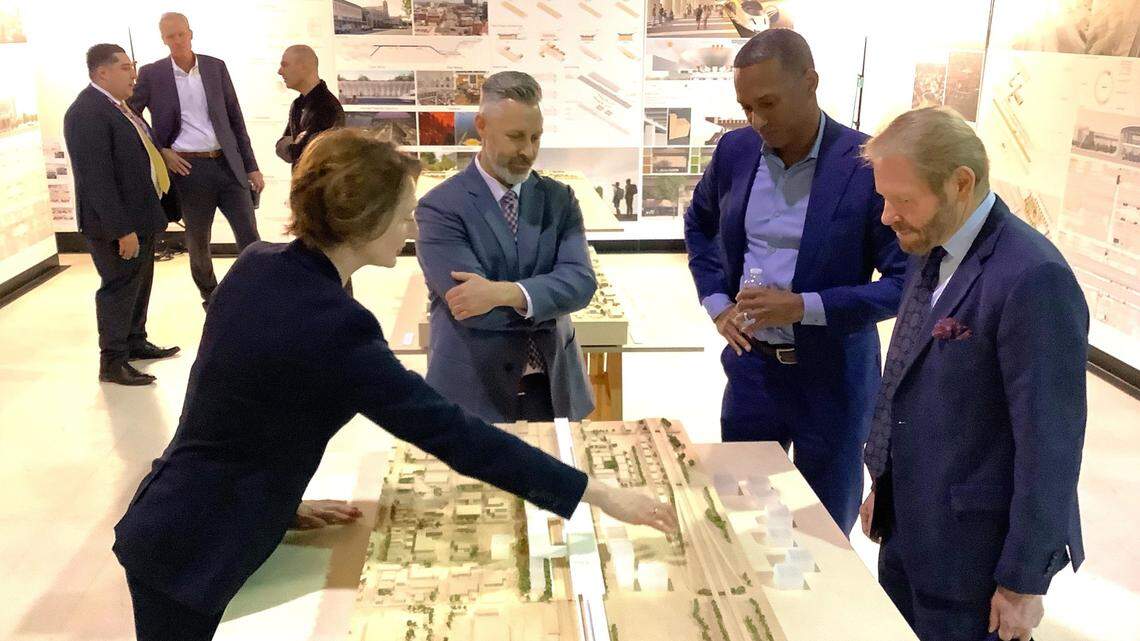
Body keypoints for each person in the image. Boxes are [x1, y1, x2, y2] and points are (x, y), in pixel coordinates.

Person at [113, 129, 676, 641]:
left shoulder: (262, 264)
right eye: (405, 215)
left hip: (177, 513)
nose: (413, 229)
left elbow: (235, 408)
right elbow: (452, 433)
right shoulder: (334, 324)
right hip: (195, 547)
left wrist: (278, 502)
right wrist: (595, 493)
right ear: (363, 220)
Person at [859, 107, 1086, 641]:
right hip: (908, 533)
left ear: (961, 182)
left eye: (902, 199)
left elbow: (1050, 443)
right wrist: (883, 484)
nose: (887, 216)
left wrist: (1023, 582)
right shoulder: (928, 245)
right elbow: (908, 377)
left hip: (973, 563)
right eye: (883, 198)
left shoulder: (1033, 278)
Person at [683, 29, 906, 535]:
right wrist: (718, 303)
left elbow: (902, 281)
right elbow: (699, 224)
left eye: (768, 103)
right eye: (746, 108)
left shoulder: (866, 164)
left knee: (822, 528)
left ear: (811, 82)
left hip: (833, 378)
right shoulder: (736, 151)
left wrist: (804, 306)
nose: (758, 121)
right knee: (741, 513)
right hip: (751, 372)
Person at [415, 71, 596, 423]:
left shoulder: (559, 200)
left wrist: (505, 292)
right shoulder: (440, 207)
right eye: (515, 137)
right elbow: (470, 306)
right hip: (473, 389)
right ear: (481, 126)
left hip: (554, 386)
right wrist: (545, 300)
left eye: (535, 138)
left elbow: (581, 284)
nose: (527, 151)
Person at [129, 12, 263, 310]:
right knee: (198, 242)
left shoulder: (215, 67)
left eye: (181, 34)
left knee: (250, 236)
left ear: (191, 33)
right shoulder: (153, 74)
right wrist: (161, 149)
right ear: (162, 39)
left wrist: (251, 165)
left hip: (228, 165)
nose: (177, 40)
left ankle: (255, 294)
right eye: (169, 36)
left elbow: (234, 119)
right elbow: (132, 116)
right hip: (188, 170)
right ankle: (211, 298)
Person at [63, 44, 180, 386]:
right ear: (103, 73)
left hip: (140, 216)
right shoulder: (87, 112)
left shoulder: (120, 108)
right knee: (118, 288)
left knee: (138, 284)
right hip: (116, 224)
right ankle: (112, 361)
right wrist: (121, 229)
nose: (133, 74)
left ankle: (134, 341)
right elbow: (96, 177)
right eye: (126, 67)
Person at [275, 44, 344, 166]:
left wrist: (295, 145)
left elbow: (304, 153)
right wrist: (295, 143)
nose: (279, 71)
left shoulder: (327, 107)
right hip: (303, 183)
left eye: (285, 65)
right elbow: (282, 146)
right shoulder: (297, 104)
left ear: (303, 67)